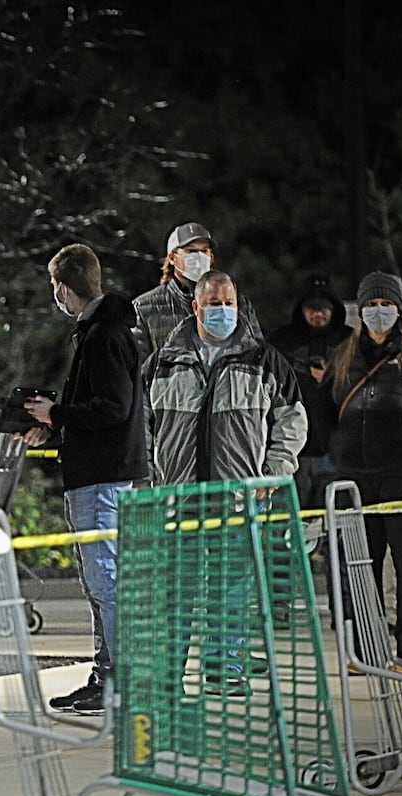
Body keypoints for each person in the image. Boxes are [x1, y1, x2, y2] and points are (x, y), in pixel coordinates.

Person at [142, 269, 307, 694]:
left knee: (230, 591)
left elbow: (292, 421)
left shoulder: (263, 359)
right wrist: (148, 478)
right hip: (177, 499)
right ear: (195, 307)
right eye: (213, 303)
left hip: (238, 498)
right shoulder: (163, 361)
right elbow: (139, 426)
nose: (222, 310)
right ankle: (168, 677)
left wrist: (274, 472)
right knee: (174, 594)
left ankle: (224, 671)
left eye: (228, 303)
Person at [20, 245, 148, 716]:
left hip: (101, 475)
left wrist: (58, 412)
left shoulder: (102, 335)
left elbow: (111, 408)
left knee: (105, 580)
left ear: (62, 286)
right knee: (102, 581)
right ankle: (106, 674)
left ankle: (119, 678)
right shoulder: (108, 330)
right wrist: (56, 421)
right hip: (105, 472)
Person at [320, 271, 402, 669]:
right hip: (357, 474)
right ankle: (366, 651)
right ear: (360, 310)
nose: (379, 312)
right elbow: (324, 406)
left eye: (387, 304)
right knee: (361, 563)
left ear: (400, 308)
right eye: (372, 305)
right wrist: (337, 444)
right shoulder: (344, 355)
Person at [266, 274, 351, 512]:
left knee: (336, 525)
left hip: (337, 452)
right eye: (312, 308)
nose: (318, 314)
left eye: (324, 308)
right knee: (291, 523)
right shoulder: (282, 342)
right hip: (293, 455)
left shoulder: (350, 341)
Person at [133, 222, 257, 354]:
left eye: (204, 251)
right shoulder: (144, 308)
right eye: (191, 251)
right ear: (172, 258)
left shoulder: (239, 306)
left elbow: (258, 356)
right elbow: (138, 367)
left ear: (211, 257)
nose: (199, 257)